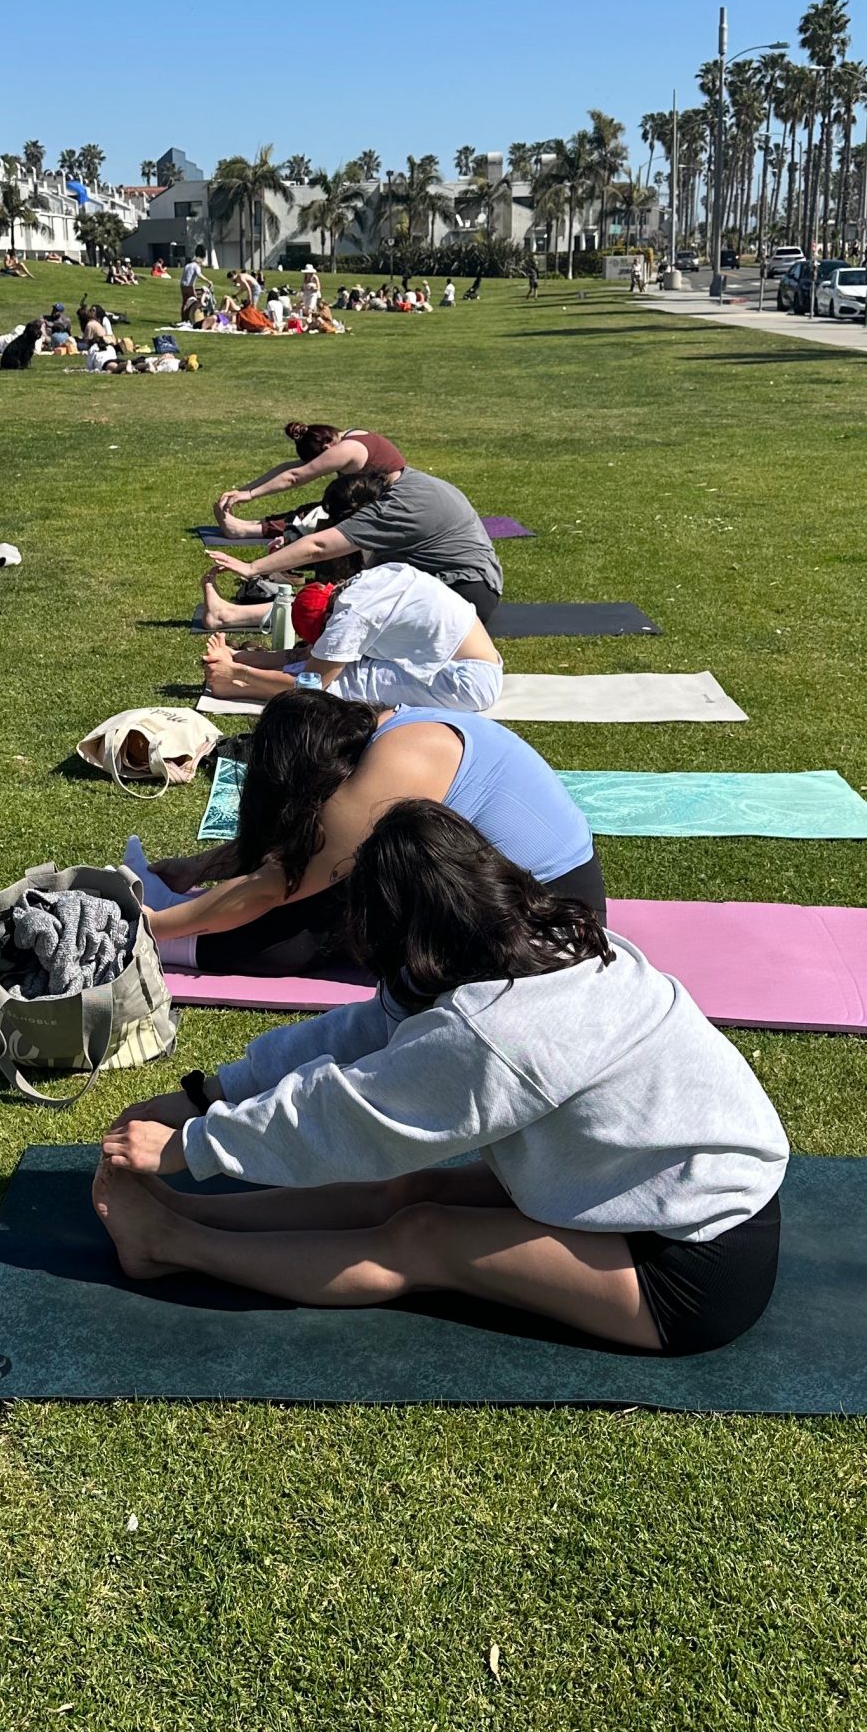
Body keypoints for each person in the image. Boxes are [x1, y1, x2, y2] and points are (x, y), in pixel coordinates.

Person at [95, 803, 788, 1356]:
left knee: (421, 1238)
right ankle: (187, 1215)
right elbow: (366, 1030)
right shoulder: (536, 938)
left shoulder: (498, 1031)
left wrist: (194, 1145)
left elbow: (349, 1120)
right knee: (410, 1192)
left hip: (694, 1262)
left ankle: (167, 1245)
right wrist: (209, 1093)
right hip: (649, 1185)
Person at [144, 685, 601, 975]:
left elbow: (277, 884)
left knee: (310, 916)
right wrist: (198, 866)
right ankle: (190, 935)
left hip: (547, 928)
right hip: (542, 905)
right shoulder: (391, 726)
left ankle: (184, 945)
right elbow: (302, 845)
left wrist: (157, 927)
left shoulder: (400, 760)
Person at [206, 464, 503, 630]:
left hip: (464, 595)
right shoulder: (405, 481)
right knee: (354, 591)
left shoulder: (391, 511)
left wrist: (252, 568)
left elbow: (319, 546)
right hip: (468, 584)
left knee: (351, 605)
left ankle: (228, 616)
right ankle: (230, 614)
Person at [203, 564, 503, 714]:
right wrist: (239, 655)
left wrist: (239, 673)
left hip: (467, 683)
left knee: (343, 683)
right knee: (334, 668)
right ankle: (237, 673)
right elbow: (308, 655)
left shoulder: (353, 615)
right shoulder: (362, 584)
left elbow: (311, 685)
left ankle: (233, 685)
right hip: (464, 666)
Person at [216, 423, 405, 535]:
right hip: (380, 500)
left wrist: (251, 495)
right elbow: (290, 468)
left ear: (326, 449)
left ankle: (244, 531)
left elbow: (294, 477)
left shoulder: (346, 450)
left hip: (392, 508)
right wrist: (244, 491)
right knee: (316, 509)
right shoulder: (349, 435)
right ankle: (251, 525)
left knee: (315, 517)